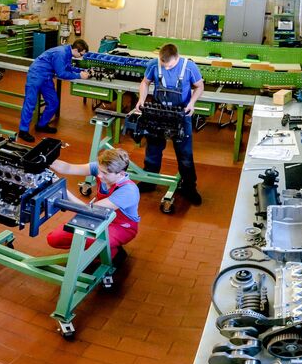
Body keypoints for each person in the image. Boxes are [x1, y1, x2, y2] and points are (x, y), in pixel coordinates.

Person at [134, 43, 204, 205]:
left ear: (177, 58)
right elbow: (145, 82)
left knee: (185, 153)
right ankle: (149, 181)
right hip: (158, 113)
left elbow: (199, 86)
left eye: (170, 66)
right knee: (153, 148)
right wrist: (141, 99)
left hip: (181, 114)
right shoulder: (153, 64)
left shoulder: (189, 67)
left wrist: (192, 103)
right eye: (163, 65)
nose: (166, 68)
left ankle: (189, 187)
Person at [45, 148, 140, 260]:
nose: (99, 175)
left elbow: (88, 209)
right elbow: (67, 168)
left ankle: (114, 254)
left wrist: (61, 188)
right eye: (99, 170)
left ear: (121, 173)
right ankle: (101, 248)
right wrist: (45, 160)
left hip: (121, 227)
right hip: (98, 217)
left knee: (91, 243)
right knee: (54, 239)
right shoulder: (102, 167)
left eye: (105, 173)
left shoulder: (128, 191)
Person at [18, 40, 91, 142]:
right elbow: (61, 73)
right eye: (81, 54)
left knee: (53, 102)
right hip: (36, 74)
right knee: (30, 103)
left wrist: (81, 71)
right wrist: (79, 76)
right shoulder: (61, 53)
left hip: (47, 76)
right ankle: (23, 131)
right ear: (75, 50)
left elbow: (67, 67)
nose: (81, 57)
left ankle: (41, 125)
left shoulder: (68, 51)